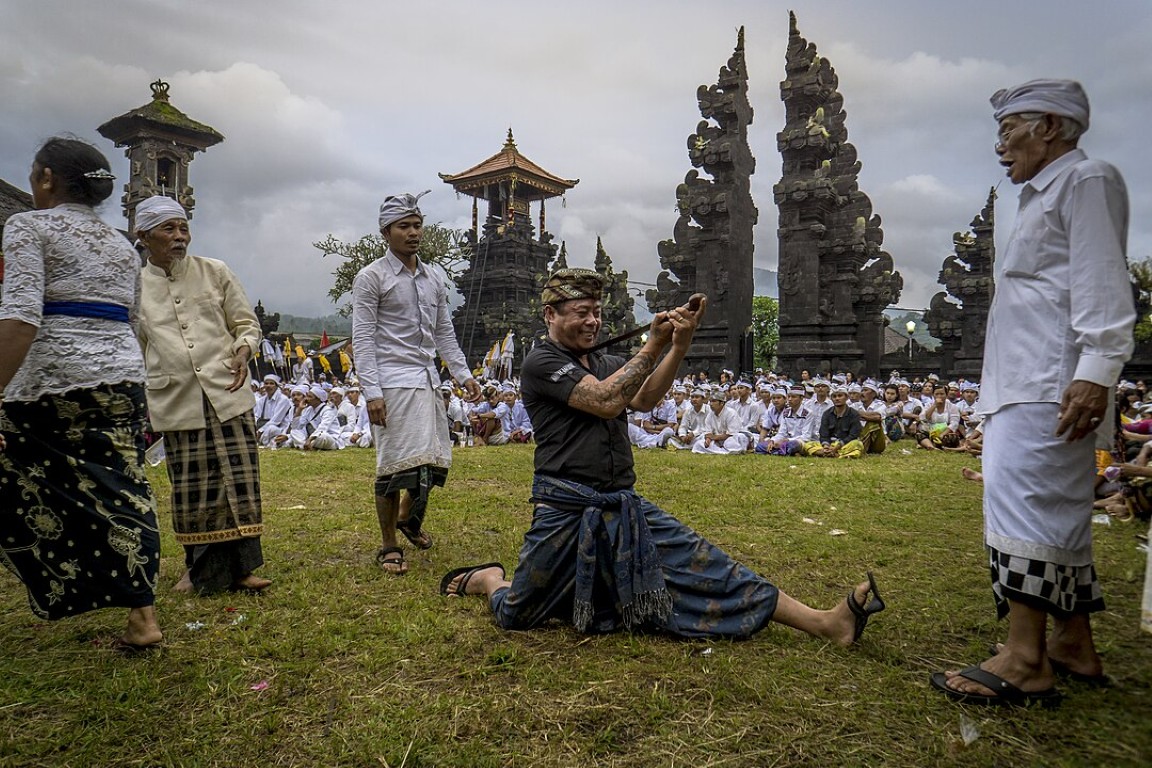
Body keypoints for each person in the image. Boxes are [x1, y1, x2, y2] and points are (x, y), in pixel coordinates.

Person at [439, 269, 884, 644]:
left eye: (597, 312)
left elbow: (645, 399)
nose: (593, 321)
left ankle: (824, 622)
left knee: (707, 561)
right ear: (550, 315)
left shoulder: (605, 359)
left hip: (621, 501)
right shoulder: (541, 361)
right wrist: (652, 345)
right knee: (519, 612)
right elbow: (605, 402)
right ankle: (488, 580)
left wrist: (680, 346)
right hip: (565, 508)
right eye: (581, 313)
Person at [933, 80, 1135, 705]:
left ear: (1049, 126)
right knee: (1053, 511)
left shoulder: (1086, 180)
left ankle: (1025, 658)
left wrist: (1097, 370)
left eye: (1008, 130)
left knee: (1026, 510)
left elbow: (1102, 280)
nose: (1001, 146)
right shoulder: (1039, 196)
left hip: (1050, 381)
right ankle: (1072, 642)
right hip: (1026, 379)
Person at [0, 137, 162, 648]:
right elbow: (133, 319)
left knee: (19, 481)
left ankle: (65, 577)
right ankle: (143, 619)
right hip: (120, 379)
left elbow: (21, 317)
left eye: (33, 174)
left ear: (47, 178)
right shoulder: (122, 244)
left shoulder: (28, 225)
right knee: (123, 487)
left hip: (49, 382)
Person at [136, 195, 270, 596]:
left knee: (239, 480)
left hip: (226, 387)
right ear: (144, 236)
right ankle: (196, 571)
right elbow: (132, 343)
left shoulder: (215, 271)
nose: (180, 237)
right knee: (193, 485)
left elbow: (246, 323)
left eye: (183, 228)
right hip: (176, 396)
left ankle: (243, 568)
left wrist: (244, 349)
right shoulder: (134, 286)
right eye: (169, 229)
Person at [351, 190, 480, 574]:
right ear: (385, 233)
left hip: (426, 378)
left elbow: (444, 333)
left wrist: (463, 374)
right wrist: (372, 392)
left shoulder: (433, 276)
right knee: (393, 465)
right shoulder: (371, 277)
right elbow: (363, 338)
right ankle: (389, 543)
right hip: (391, 381)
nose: (412, 233)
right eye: (403, 226)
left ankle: (409, 519)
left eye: (417, 225)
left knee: (432, 462)